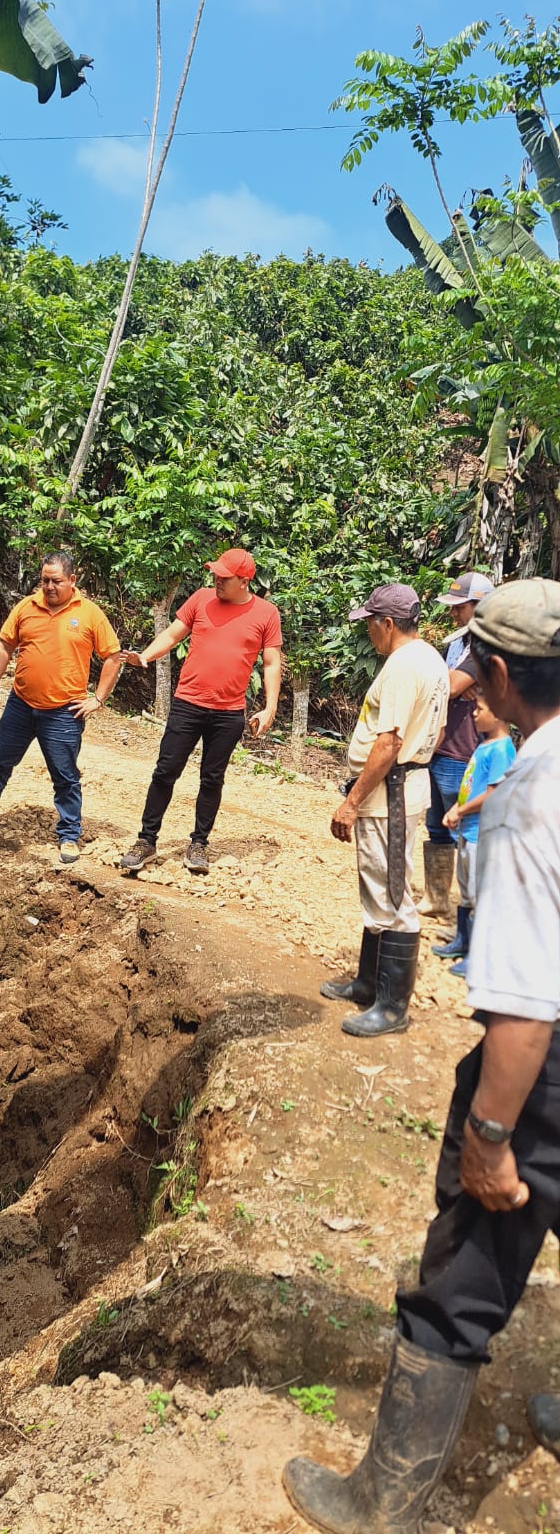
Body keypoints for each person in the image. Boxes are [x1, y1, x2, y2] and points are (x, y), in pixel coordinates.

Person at [283, 576, 560, 1534]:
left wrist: (491, 1134)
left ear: (499, 672)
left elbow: (525, 1004)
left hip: (544, 1072)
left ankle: (380, 1501)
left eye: (475, 667)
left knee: (464, 1270)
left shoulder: (529, 793)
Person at [320, 583, 448, 1039]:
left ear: (388, 624)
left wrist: (352, 801)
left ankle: (392, 1008)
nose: (368, 632)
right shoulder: (431, 659)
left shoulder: (402, 666)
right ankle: (368, 983)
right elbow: (430, 731)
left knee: (393, 894)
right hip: (401, 787)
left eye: (370, 624)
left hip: (389, 793)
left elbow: (389, 742)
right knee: (379, 883)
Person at [0, 551, 121, 865]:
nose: (49, 587)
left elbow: (112, 656)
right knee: (0, 762)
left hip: (64, 712)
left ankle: (69, 835)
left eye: (56, 581)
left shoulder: (89, 614)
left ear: (72, 580)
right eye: (45, 580)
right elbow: (4, 646)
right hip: (21, 704)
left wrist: (98, 699)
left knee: (65, 776)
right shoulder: (26, 607)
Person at [118, 548, 282, 875]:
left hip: (228, 712)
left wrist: (270, 707)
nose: (216, 580)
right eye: (215, 574)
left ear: (244, 581)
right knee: (165, 771)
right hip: (188, 704)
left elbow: (271, 662)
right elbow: (172, 633)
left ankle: (199, 844)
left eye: (224, 577)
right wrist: (145, 656)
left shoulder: (266, 613)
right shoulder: (201, 599)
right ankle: (146, 840)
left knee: (212, 779)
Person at [418, 571, 494, 922]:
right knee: (436, 825)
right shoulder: (457, 644)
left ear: (481, 606)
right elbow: (445, 683)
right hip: (440, 744)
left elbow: (446, 686)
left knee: (467, 828)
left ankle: (471, 908)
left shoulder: (486, 648)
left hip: (463, 749)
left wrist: (449, 686)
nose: (453, 613)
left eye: (460, 607)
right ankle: (437, 899)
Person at [431, 692, 515, 977]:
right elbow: (474, 786)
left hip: (483, 833)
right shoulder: (484, 744)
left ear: (499, 714)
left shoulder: (502, 750)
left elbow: (493, 794)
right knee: (466, 889)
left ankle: (478, 955)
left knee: (480, 893)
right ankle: (463, 940)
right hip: (469, 829)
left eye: (479, 709)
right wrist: (457, 809)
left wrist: (461, 810)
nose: (473, 714)